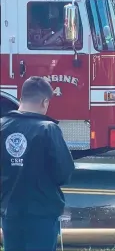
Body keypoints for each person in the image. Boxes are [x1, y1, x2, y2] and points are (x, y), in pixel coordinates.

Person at [1, 76, 75, 251]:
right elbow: (64, 174)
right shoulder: (48, 130)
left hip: (9, 213)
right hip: (42, 215)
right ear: (44, 101)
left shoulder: (2, 126)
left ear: (21, 98)